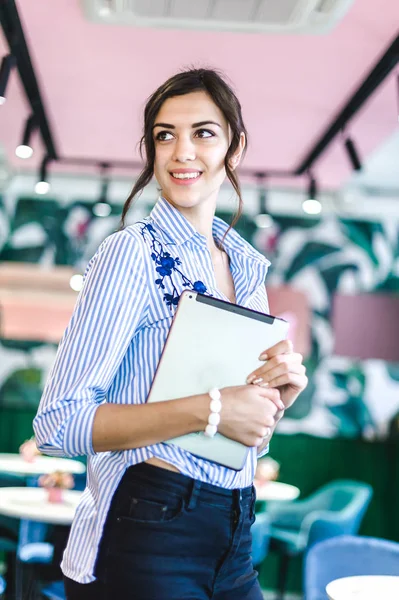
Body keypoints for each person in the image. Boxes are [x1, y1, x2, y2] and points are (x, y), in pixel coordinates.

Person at [33, 68, 308, 600]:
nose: (182, 152)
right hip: (151, 526)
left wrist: (274, 401)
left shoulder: (248, 269)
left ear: (235, 146)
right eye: (165, 135)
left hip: (234, 530)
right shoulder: (131, 252)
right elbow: (58, 423)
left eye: (203, 133)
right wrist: (213, 408)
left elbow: (230, 426)